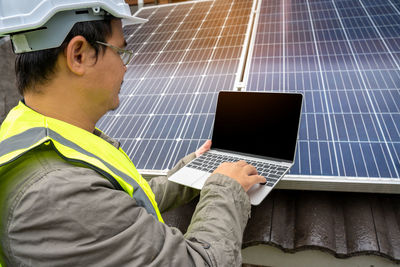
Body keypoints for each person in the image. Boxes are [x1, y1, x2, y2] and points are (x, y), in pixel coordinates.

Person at [0, 1, 266, 266]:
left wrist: (192, 169)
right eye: (120, 52)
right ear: (78, 55)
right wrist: (226, 188)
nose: (125, 67)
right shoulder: (56, 193)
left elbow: (119, 208)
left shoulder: (33, 131)